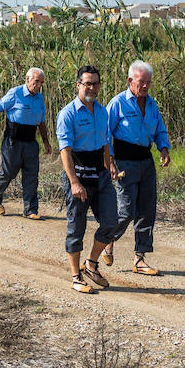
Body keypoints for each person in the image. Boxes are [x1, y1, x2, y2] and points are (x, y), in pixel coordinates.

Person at [101, 61, 170, 276]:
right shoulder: (118, 103)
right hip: (125, 162)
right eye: (142, 82)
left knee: (147, 210)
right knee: (127, 210)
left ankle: (140, 258)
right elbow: (106, 134)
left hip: (145, 160)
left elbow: (160, 129)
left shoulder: (151, 104)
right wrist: (110, 162)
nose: (146, 86)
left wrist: (164, 148)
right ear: (130, 81)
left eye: (148, 82)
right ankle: (106, 239)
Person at [57, 65, 119, 294]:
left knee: (112, 222)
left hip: (100, 176)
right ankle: (76, 276)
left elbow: (105, 142)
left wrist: (109, 164)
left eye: (95, 83)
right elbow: (65, 150)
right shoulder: (68, 114)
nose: (91, 88)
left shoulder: (103, 111)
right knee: (77, 227)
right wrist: (74, 182)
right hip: (79, 177)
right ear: (78, 85)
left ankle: (91, 264)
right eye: (87, 83)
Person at [0, 67, 53, 219]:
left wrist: (46, 142)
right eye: (36, 82)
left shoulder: (40, 98)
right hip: (13, 141)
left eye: (41, 83)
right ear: (27, 80)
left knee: (31, 176)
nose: (38, 86)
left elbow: (41, 122)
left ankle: (30, 210)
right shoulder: (15, 93)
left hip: (30, 142)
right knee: (8, 172)